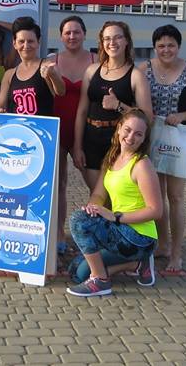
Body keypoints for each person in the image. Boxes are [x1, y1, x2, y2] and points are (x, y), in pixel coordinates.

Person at [66, 109, 162, 297]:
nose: (131, 137)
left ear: (144, 139)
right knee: (77, 272)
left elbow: (156, 210)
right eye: (127, 130)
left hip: (140, 238)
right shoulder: (112, 158)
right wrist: (92, 208)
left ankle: (100, 280)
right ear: (119, 129)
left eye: (138, 134)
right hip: (120, 231)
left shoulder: (141, 165)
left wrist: (115, 217)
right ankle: (136, 265)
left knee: (78, 221)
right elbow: (98, 194)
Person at [139, 24, 186, 273]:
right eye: (161, 46)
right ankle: (163, 245)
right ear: (154, 47)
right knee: (156, 196)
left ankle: (176, 254)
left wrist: (182, 116)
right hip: (152, 140)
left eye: (171, 45)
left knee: (176, 197)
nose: (166, 50)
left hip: (178, 141)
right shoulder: (144, 69)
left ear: (178, 47)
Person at [73, 21, 153, 193]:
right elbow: (82, 111)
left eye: (117, 37)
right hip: (91, 140)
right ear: (102, 42)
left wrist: (118, 105)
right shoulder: (91, 71)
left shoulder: (136, 75)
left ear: (126, 41)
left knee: (114, 196)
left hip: (119, 142)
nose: (112, 42)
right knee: (96, 195)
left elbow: (147, 117)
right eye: (107, 38)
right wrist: (77, 146)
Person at [49, 16, 95, 252]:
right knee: (59, 185)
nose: (72, 36)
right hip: (57, 129)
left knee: (96, 186)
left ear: (84, 34)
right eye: (67, 32)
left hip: (86, 132)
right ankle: (59, 234)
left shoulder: (97, 61)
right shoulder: (51, 61)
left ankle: (98, 232)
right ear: (61, 36)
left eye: (76, 32)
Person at [0, 16, 65, 116]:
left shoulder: (48, 65)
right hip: (16, 125)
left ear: (38, 42)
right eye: (21, 41)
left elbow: (61, 92)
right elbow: (1, 106)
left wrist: (52, 75)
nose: (26, 46)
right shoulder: (9, 75)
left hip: (42, 126)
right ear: (14, 44)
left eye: (30, 41)